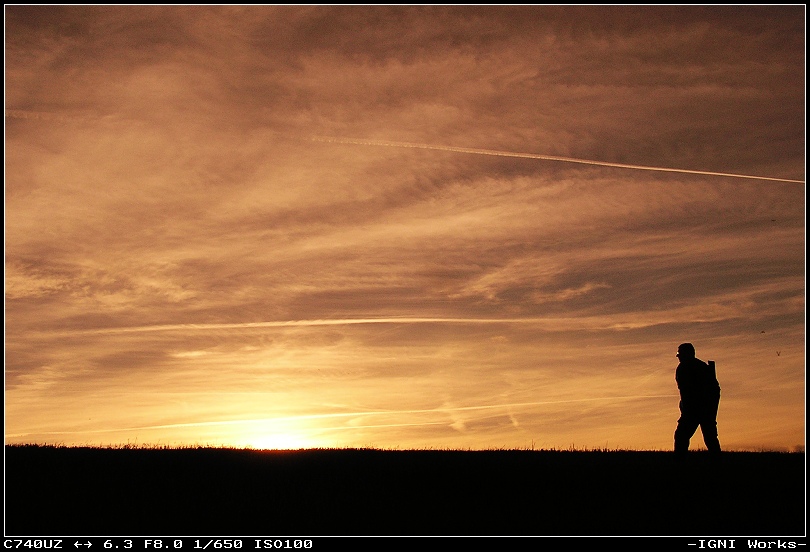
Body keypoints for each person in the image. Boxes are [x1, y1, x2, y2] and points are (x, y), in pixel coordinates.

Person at [673, 342, 721, 454]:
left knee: (683, 436)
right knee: (709, 438)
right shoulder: (695, 367)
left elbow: (713, 390)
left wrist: (709, 410)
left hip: (697, 410)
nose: (679, 357)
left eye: (681, 354)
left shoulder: (692, 368)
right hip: (699, 410)